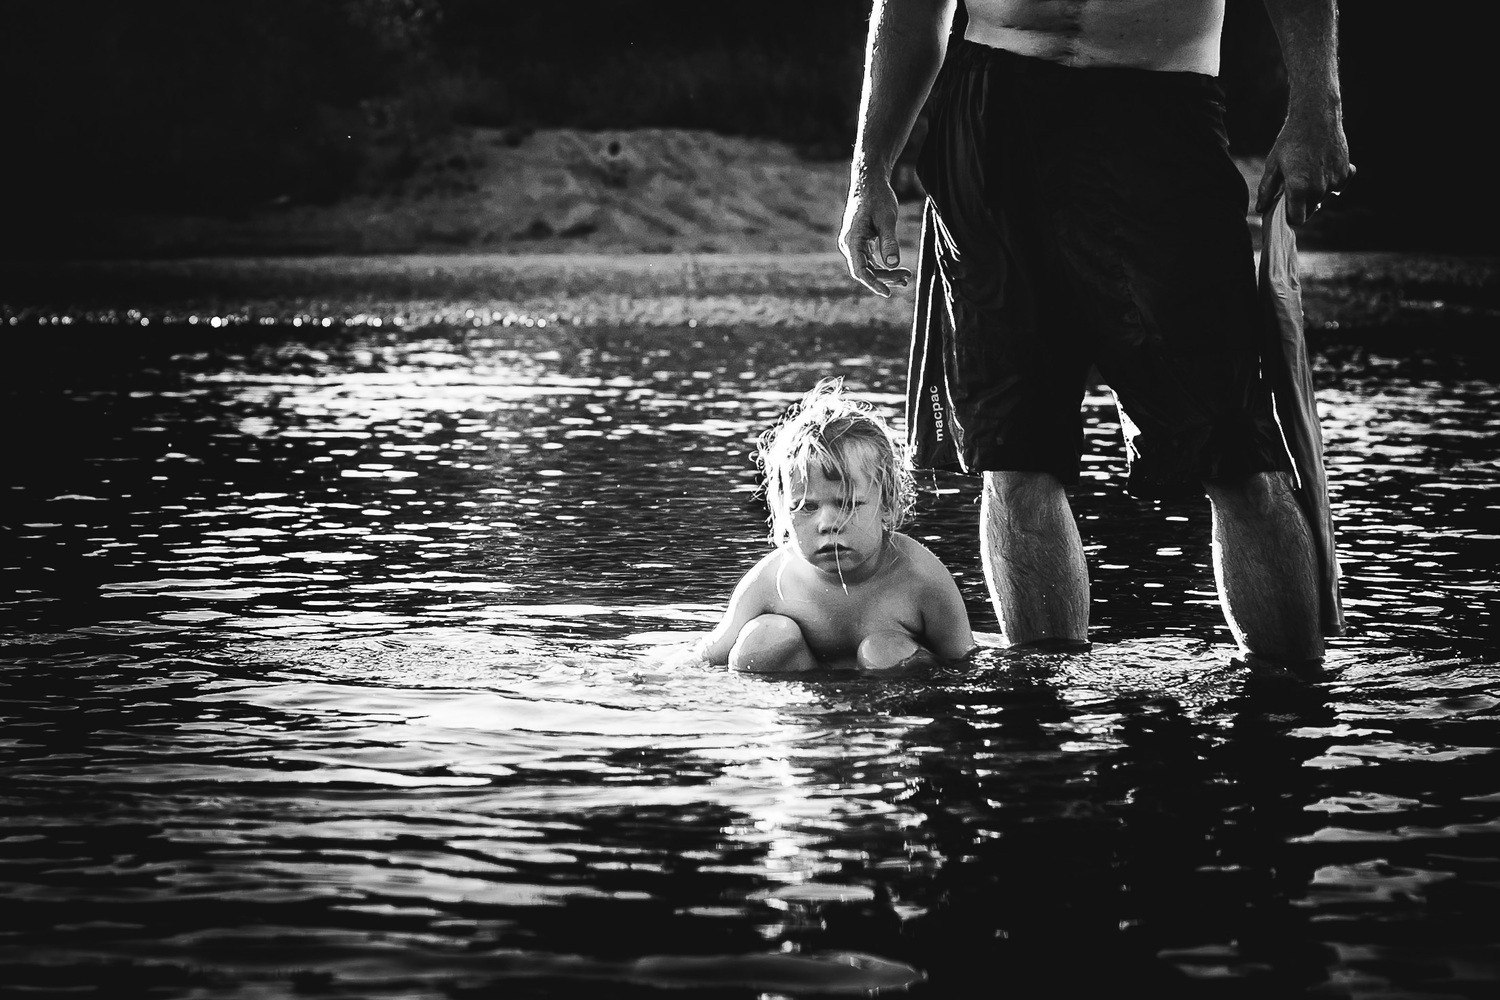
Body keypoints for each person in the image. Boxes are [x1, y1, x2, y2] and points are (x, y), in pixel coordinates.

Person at [837, 0, 1354, 670]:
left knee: (1235, 445)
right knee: (1014, 448)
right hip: (992, 116)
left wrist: (1317, 107)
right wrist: (869, 171)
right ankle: (1039, 706)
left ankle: (1288, 702)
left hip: (1158, 110)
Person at [697, 378, 976, 673]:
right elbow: (705, 657)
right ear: (782, 513)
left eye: (848, 504)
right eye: (806, 507)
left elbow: (966, 664)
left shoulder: (920, 576)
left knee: (883, 651)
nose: (828, 524)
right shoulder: (772, 581)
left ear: (887, 503)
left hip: (888, 697)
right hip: (804, 693)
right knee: (763, 639)